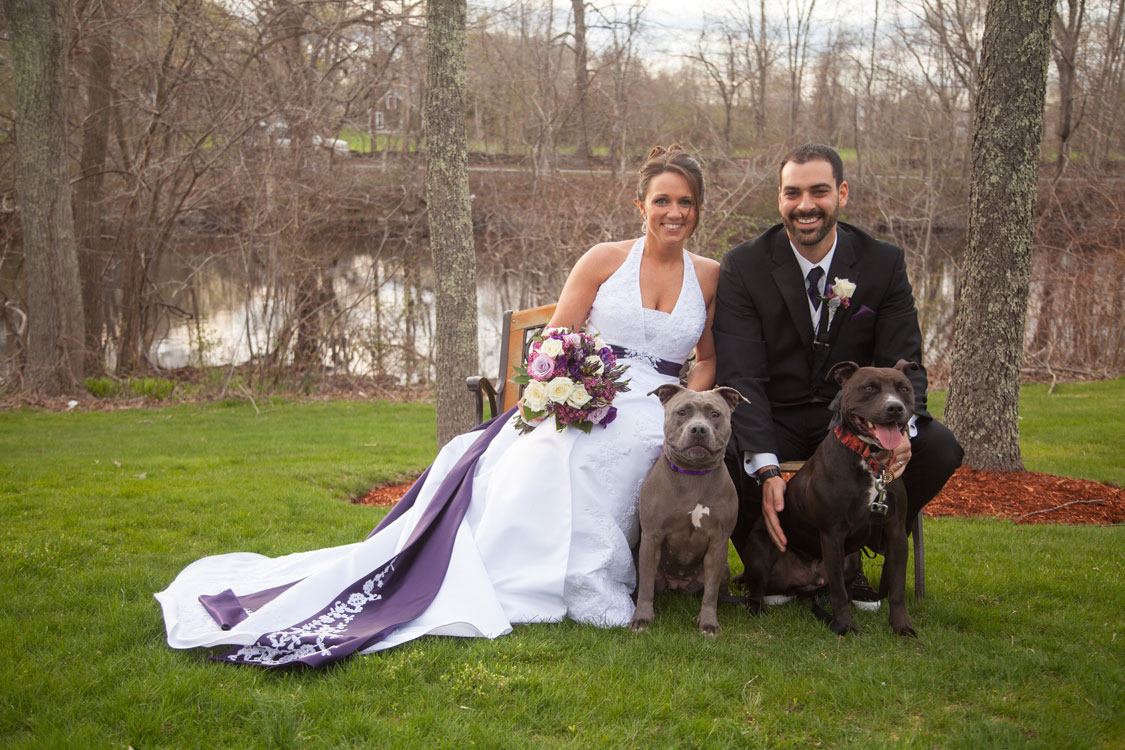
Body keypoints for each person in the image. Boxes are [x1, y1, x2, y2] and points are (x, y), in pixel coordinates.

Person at [155, 145, 720, 668]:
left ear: (698, 209)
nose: (674, 212)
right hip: (595, 390)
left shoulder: (709, 276)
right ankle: (554, 578)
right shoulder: (604, 259)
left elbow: (708, 359)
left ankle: (605, 577)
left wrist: (683, 404)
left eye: (685, 203)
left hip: (664, 406)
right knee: (565, 448)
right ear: (640, 205)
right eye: (662, 201)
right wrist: (577, 386)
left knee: (637, 440)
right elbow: (555, 337)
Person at [713, 143, 963, 607]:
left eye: (819, 191)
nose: (805, 205)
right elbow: (742, 374)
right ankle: (772, 564)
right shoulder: (744, 265)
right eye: (792, 193)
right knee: (724, 450)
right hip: (778, 415)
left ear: (841, 194)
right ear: (780, 198)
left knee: (939, 446)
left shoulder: (882, 262)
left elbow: (904, 359)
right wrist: (766, 469)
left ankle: (853, 556)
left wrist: (901, 432)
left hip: (854, 416)